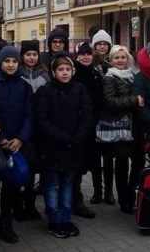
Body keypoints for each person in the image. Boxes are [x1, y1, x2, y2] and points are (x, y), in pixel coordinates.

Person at [34, 52, 94, 239]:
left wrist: (77, 137)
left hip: (73, 146)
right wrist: (61, 137)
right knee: (52, 184)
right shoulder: (45, 91)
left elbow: (87, 115)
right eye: (61, 69)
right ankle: (54, 219)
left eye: (68, 69)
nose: (65, 73)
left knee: (68, 183)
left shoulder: (79, 89)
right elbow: (42, 119)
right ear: (53, 72)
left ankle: (66, 218)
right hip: (52, 146)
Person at [0, 46, 33, 246]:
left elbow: (29, 115)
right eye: (7, 61)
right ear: (0, 63)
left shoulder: (24, 86)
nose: (10, 65)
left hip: (15, 145)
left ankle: (5, 224)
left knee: (11, 188)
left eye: (14, 61)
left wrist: (20, 138)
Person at [101, 44, 141, 214]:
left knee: (138, 162)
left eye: (123, 57)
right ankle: (124, 200)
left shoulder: (133, 76)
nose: (120, 60)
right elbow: (110, 101)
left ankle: (131, 193)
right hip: (119, 128)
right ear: (111, 60)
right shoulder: (109, 78)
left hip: (134, 127)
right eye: (116, 58)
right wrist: (133, 101)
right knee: (122, 164)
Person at [15, 40, 48, 222]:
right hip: (20, 127)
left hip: (38, 129)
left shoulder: (44, 75)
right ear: (23, 56)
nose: (31, 57)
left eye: (34, 54)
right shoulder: (17, 74)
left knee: (34, 167)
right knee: (21, 166)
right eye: (28, 54)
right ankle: (17, 205)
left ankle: (30, 203)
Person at [71, 42, 99, 219]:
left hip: (91, 127)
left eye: (88, 54)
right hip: (77, 127)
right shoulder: (74, 73)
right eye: (82, 54)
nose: (86, 57)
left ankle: (75, 199)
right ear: (77, 56)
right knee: (75, 165)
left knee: (82, 165)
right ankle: (75, 201)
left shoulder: (95, 73)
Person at [89, 29, 112, 203]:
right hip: (94, 115)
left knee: (109, 157)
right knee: (96, 157)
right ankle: (97, 191)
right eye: (99, 44)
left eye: (105, 44)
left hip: (111, 116)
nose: (102, 47)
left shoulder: (114, 63)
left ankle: (109, 192)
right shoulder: (90, 65)